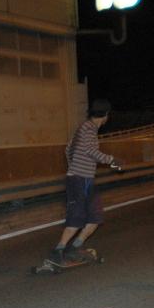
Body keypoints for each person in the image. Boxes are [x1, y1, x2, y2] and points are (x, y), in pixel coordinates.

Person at [47, 98, 119, 264]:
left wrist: (74, 166)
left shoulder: (86, 128)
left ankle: (74, 248)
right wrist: (111, 160)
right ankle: (58, 250)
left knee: (95, 218)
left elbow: (68, 149)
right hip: (79, 180)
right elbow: (90, 151)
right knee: (77, 217)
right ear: (106, 115)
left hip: (85, 180)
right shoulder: (88, 128)